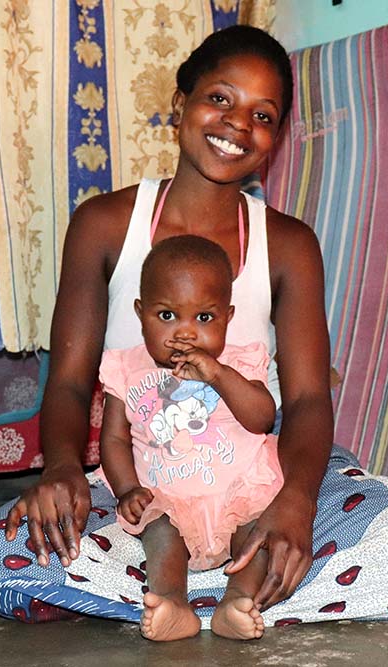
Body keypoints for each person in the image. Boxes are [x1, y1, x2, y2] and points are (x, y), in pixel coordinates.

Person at [0, 24, 388, 633]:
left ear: (276, 137)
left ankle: (192, 595)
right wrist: (63, 470)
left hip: (258, 477)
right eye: (221, 98)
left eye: (264, 114)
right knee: (2, 556)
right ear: (181, 103)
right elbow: (71, 383)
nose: (237, 125)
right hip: (146, 488)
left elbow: (307, 398)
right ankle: (219, 595)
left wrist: (297, 504)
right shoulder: (103, 224)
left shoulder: (287, 244)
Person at [100, 234, 283, 640]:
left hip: (238, 491)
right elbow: (113, 440)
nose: (185, 334)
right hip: (170, 498)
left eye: (204, 318)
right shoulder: (126, 369)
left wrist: (218, 374)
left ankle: (236, 600)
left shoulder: (237, 360)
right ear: (140, 312)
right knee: (160, 535)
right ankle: (172, 603)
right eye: (167, 316)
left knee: (256, 535)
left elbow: (262, 419)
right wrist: (128, 488)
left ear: (227, 317)